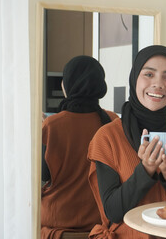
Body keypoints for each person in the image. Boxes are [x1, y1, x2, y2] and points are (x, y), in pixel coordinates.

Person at [87, 45, 166, 238]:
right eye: (149, 74)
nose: (158, 84)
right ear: (135, 78)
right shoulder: (107, 137)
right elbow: (113, 212)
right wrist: (146, 169)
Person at [41, 55, 118, 239]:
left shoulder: (51, 125)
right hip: (101, 224)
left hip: (56, 224)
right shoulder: (113, 122)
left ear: (67, 84)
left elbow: (44, 176)